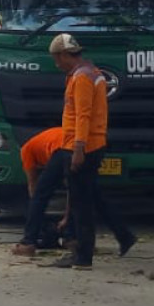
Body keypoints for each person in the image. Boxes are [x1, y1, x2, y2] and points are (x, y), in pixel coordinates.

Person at [11, 127, 135, 257]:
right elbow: (73, 190)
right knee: (93, 195)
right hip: (87, 148)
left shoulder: (26, 151)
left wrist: (58, 218)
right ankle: (123, 236)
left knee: (40, 196)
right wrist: (66, 218)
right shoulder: (45, 143)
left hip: (65, 148)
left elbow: (33, 186)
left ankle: (28, 242)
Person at [47, 33, 108, 270]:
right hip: (94, 144)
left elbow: (83, 115)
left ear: (64, 55)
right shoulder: (93, 73)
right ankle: (83, 252)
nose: (56, 64)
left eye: (56, 58)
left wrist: (78, 149)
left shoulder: (81, 78)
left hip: (81, 146)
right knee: (85, 202)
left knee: (81, 205)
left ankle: (82, 257)